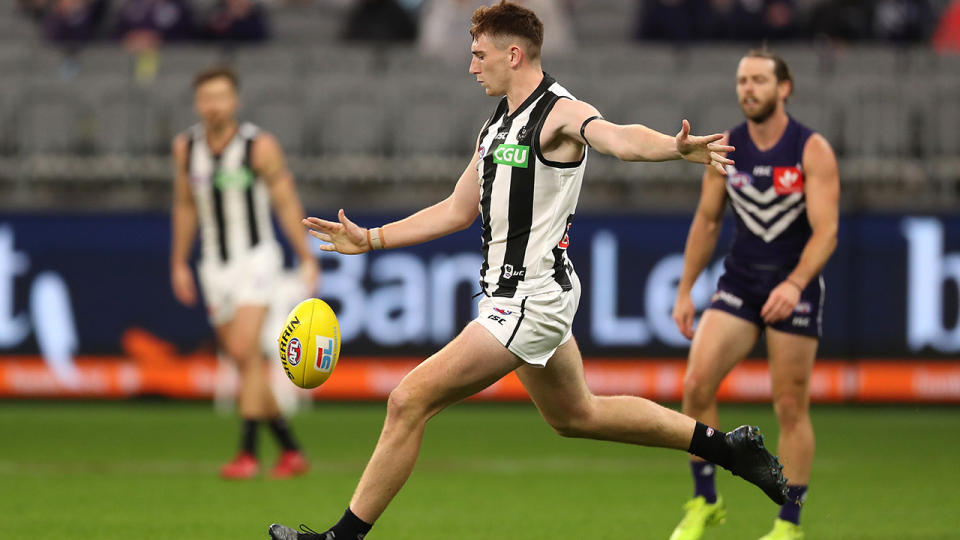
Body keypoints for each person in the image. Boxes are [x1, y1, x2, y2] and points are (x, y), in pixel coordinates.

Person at [269, 3, 789, 539]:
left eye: (479, 54)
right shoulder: (496, 125)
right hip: (518, 298)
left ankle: (340, 538)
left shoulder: (559, 113)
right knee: (576, 416)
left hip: (531, 300)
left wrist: (673, 148)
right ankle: (727, 448)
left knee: (408, 399)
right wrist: (370, 239)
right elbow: (455, 209)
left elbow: (617, 137)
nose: (471, 66)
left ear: (513, 54)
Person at [668, 49, 839, 540]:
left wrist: (795, 283)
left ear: (784, 88)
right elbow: (706, 220)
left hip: (794, 285)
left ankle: (789, 521)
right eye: (743, 79)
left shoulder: (811, 149)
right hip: (741, 283)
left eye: (760, 79)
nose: (748, 88)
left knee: (789, 404)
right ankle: (705, 501)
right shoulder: (727, 147)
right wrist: (684, 290)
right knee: (697, 385)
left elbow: (826, 232)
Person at [170, 66, 319, 480]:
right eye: (206, 98)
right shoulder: (186, 147)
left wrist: (306, 256)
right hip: (213, 265)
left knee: (242, 350)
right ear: (198, 103)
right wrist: (179, 261)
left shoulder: (259, 146)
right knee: (244, 361)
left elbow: (286, 203)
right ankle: (291, 450)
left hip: (256, 259)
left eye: (221, 96)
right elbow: (185, 205)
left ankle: (248, 453)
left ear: (235, 100)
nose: (213, 105)